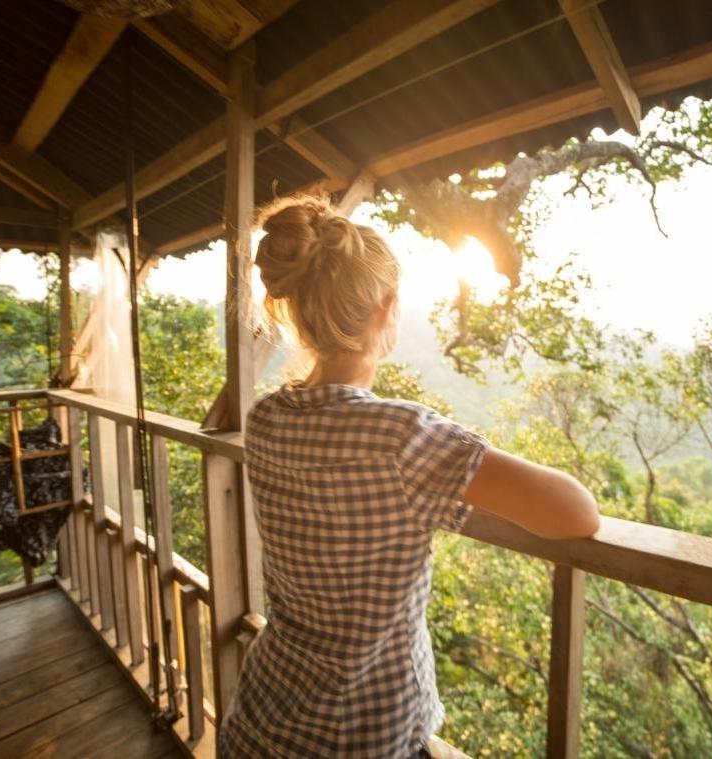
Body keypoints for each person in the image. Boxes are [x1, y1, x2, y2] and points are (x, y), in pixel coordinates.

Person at [218, 196, 600, 758]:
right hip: (358, 738)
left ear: (295, 306)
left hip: (259, 722)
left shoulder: (266, 417)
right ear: (387, 308)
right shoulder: (402, 437)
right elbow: (576, 512)